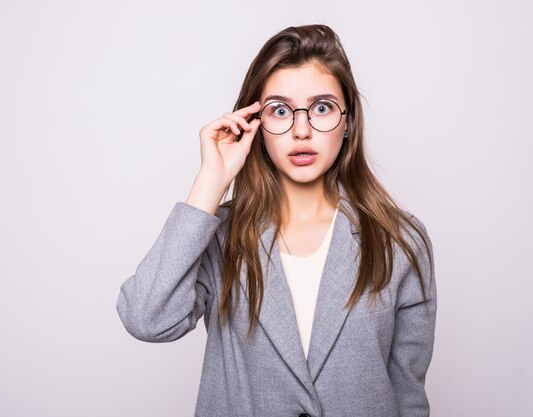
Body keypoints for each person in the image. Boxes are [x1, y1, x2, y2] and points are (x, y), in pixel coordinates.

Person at [116, 24, 437, 417]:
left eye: (321, 108)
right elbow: (146, 319)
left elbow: (408, 395)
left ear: (348, 121)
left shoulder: (399, 241)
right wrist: (210, 182)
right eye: (280, 111)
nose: (301, 131)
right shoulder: (219, 236)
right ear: (256, 125)